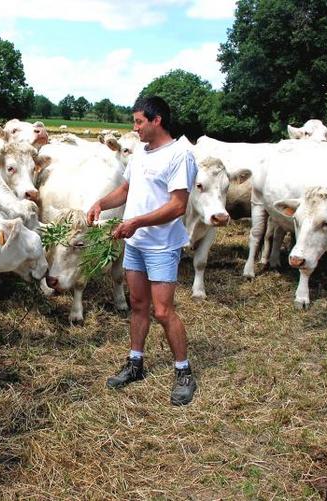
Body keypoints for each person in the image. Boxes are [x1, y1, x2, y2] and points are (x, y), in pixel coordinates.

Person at [87, 95, 198, 405]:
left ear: (156, 120)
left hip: (161, 246)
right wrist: (100, 202)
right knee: (138, 305)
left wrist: (136, 222)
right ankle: (135, 363)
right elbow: (125, 190)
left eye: (138, 122)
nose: (134, 128)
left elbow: (178, 205)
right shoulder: (139, 153)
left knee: (163, 311)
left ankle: (183, 372)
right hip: (135, 244)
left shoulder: (180, 155)